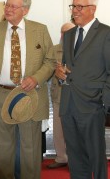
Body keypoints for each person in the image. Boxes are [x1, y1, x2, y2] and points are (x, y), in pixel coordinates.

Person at [0, 0, 54, 179]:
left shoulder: (40, 29)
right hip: (0, 94)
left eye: (14, 6)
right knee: (1, 151)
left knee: (30, 150)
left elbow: (50, 61)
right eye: (6, 4)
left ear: (25, 10)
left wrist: (36, 78)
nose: (8, 9)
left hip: (30, 95)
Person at [55, 0, 110, 178]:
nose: (75, 11)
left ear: (92, 9)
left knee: (96, 156)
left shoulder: (106, 33)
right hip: (68, 104)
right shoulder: (69, 34)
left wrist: (104, 103)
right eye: (73, 6)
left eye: (80, 6)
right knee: (76, 157)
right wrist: (60, 74)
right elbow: (67, 66)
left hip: (93, 106)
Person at [47, 22, 75, 169]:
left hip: (77, 97)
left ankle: (75, 159)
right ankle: (61, 157)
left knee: (75, 130)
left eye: (68, 32)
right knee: (58, 129)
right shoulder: (54, 50)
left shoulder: (82, 48)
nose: (64, 35)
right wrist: (55, 71)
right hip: (59, 95)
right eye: (62, 32)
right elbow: (47, 70)